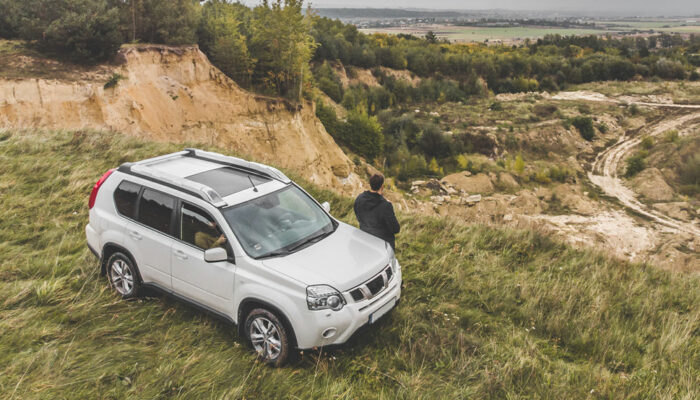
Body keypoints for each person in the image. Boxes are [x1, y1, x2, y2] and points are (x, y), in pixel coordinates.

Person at [353, 173, 401, 250]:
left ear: (370, 184)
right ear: (382, 186)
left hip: (365, 237)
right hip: (383, 243)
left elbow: (358, 215)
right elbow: (396, 229)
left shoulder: (360, 198)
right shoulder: (385, 206)